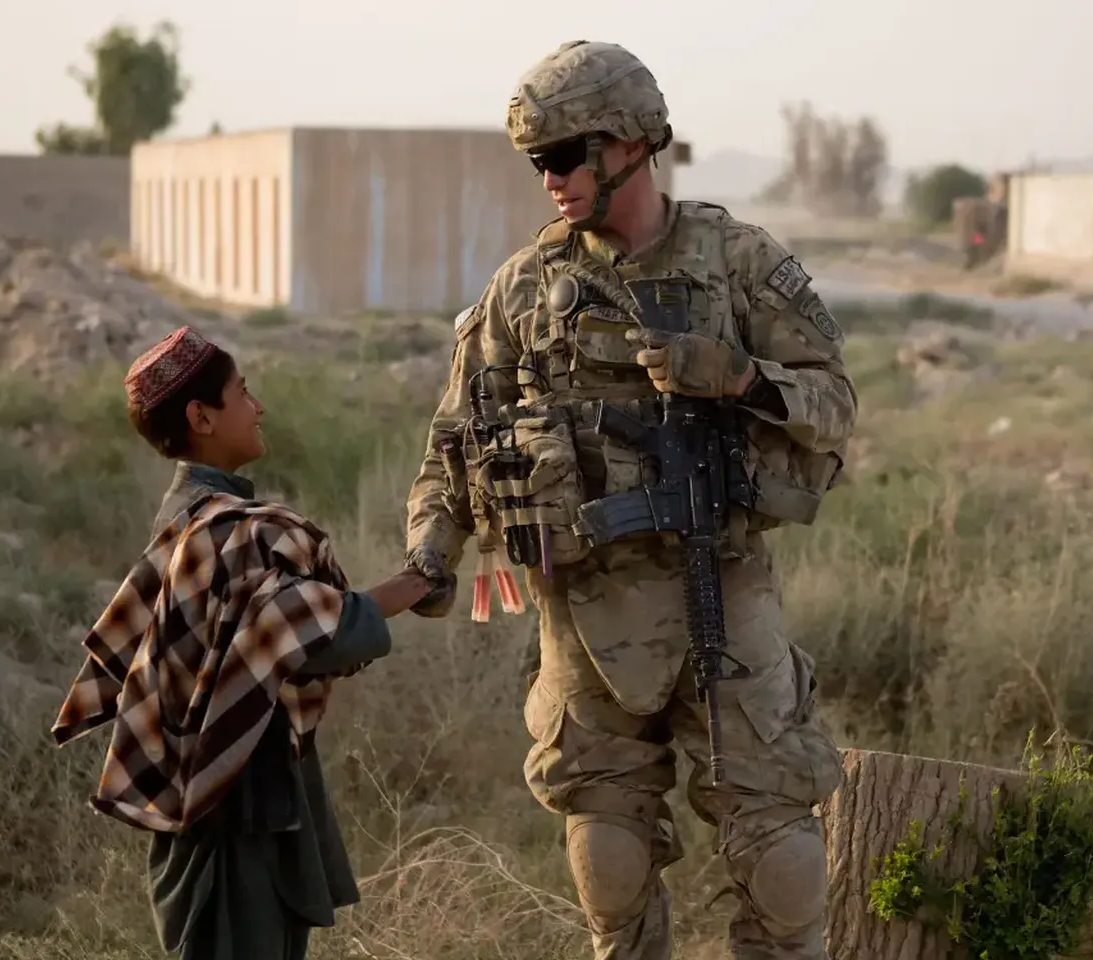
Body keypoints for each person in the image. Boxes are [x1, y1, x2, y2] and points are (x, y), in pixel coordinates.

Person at [399, 40, 857, 960]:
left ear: (633, 144)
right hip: (585, 613)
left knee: (782, 857)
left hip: (722, 593)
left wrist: (739, 378)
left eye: (569, 156)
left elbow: (835, 404)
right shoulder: (525, 287)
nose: (552, 180)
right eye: (539, 162)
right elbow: (454, 438)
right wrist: (429, 552)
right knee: (606, 857)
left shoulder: (736, 261)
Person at [50, 326, 437, 960]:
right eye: (242, 392)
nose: (257, 408)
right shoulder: (220, 529)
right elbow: (318, 631)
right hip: (231, 821)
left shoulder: (197, 519)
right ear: (201, 416)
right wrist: (419, 581)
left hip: (248, 807)